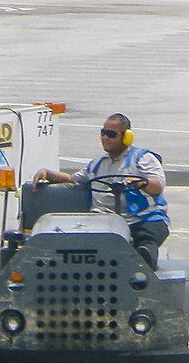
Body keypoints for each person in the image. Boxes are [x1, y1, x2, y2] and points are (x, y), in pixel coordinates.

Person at [33, 113, 169, 267]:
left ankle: (143, 262)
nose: (105, 138)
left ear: (127, 137)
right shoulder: (97, 164)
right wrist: (48, 173)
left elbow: (157, 186)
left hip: (139, 220)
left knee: (148, 238)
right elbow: (73, 179)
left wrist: (140, 183)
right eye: (103, 133)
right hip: (103, 222)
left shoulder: (142, 159)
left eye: (111, 134)